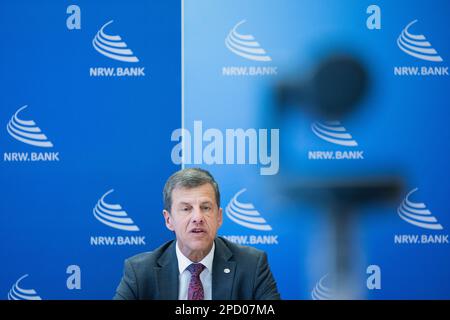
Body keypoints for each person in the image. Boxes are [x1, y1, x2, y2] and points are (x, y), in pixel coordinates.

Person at [114, 168, 280, 300]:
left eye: (206, 208)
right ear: (168, 220)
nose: (198, 218)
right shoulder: (140, 271)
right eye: (186, 209)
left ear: (219, 217)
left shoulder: (252, 265)